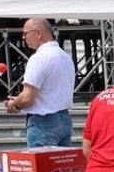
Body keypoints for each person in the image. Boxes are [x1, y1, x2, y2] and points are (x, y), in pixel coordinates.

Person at [5, 18, 76, 147]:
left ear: (38, 33)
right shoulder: (65, 56)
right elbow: (51, 92)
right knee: (63, 165)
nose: (23, 37)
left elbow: (27, 98)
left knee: (42, 166)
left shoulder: (39, 58)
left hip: (43, 121)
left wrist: (14, 104)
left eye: (26, 33)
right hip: (64, 118)